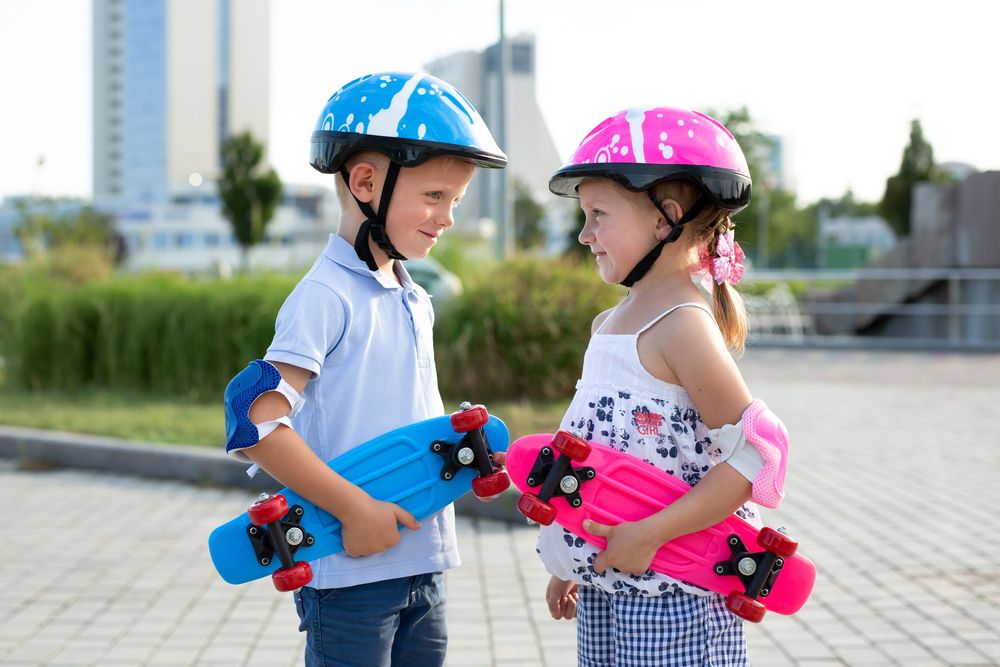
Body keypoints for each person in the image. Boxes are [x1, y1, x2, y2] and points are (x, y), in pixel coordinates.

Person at [221, 72, 507, 667]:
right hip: (351, 576)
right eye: (434, 197)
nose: (448, 217)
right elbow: (256, 423)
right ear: (366, 182)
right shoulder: (324, 297)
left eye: (455, 201)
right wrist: (354, 509)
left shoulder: (412, 294)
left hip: (423, 564)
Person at [536, 106, 790, 666]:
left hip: (674, 591)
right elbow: (592, 451)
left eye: (599, 214)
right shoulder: (608, 324)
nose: (584, 234)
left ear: (665, 219)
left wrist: (652, 533)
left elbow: (755, 454)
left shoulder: (682, 325)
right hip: (611, 583)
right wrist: (569, 560)